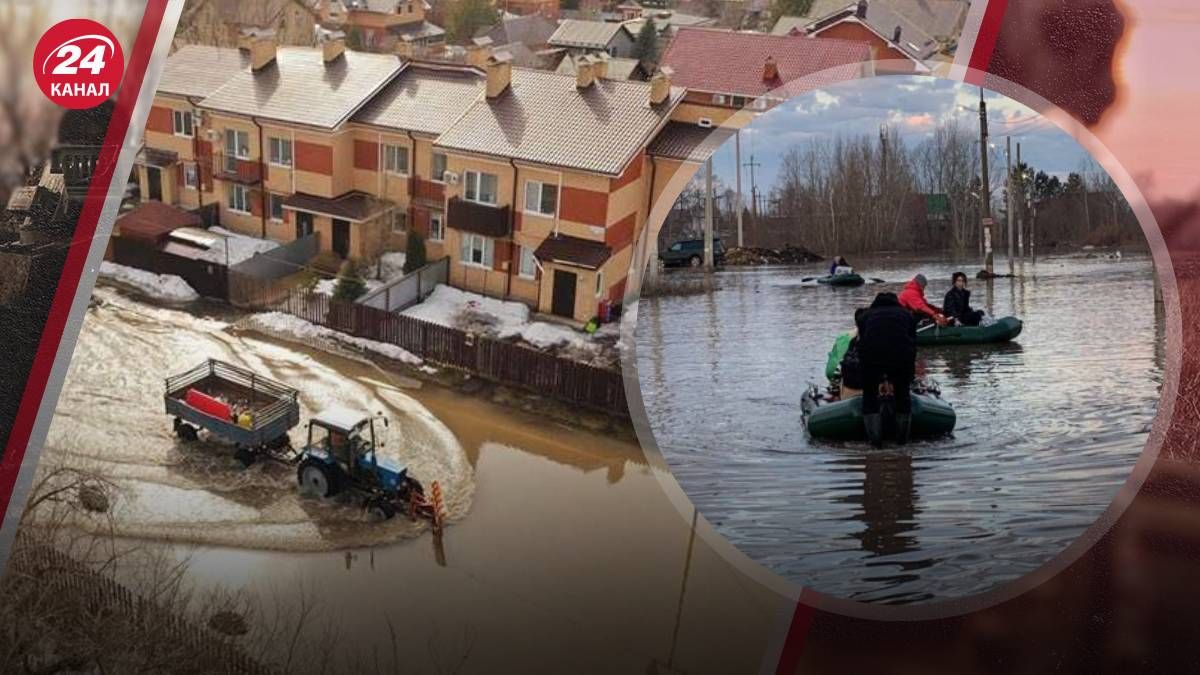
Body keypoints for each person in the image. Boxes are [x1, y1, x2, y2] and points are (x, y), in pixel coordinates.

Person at [856, 292, 918, 446]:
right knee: (903, 395)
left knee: (869, 396)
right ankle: (902, 443)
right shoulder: (907, 315)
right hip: (901, 357)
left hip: (872, 358)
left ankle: (875, 443)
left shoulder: (865, 316)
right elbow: (913, 342)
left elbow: (862, 341)